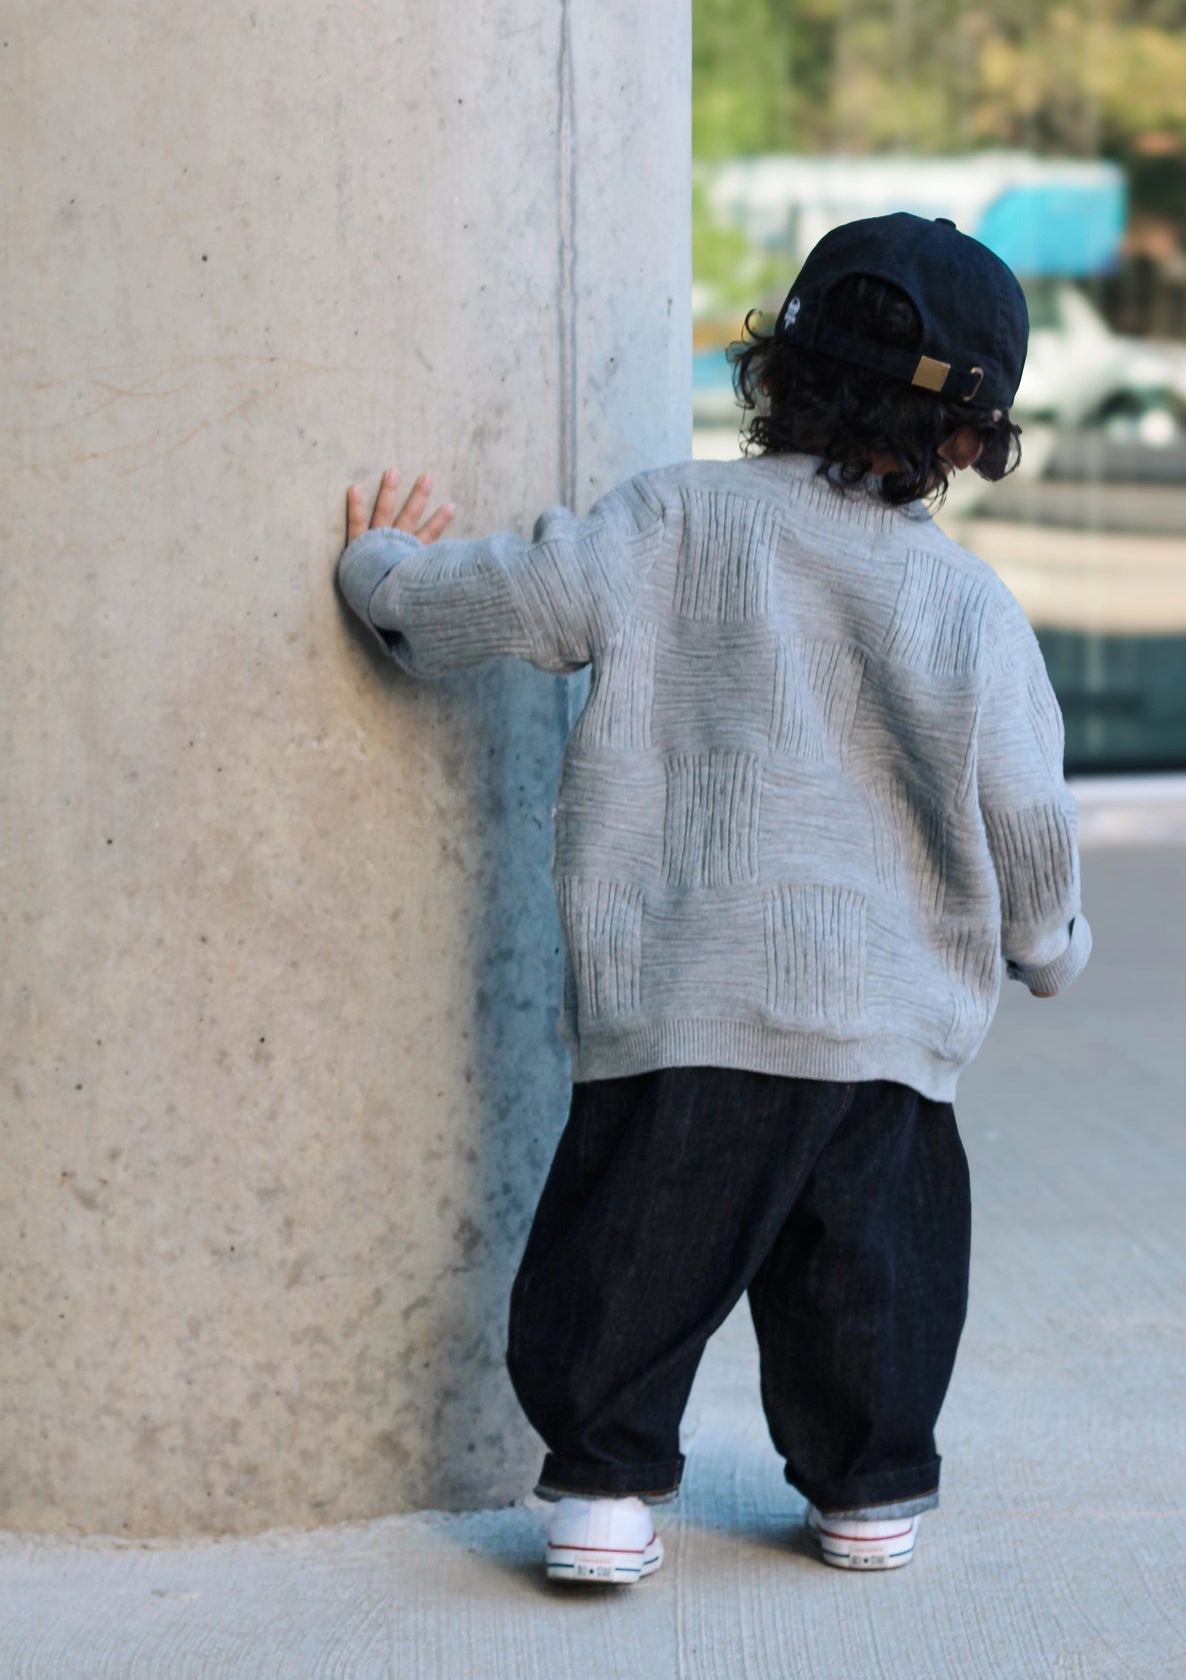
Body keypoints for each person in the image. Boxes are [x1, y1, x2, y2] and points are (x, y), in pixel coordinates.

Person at [336, 214, 1091, 1583]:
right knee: (872, 1275)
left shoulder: (667, 518)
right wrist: (1049, 942)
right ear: (974, 438)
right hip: (881, 1036)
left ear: (775, 371)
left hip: (685, 997)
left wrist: (382, 578)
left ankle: (603, 1491)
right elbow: (1027, 812)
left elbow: (511, 594)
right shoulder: (970, 607)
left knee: (629, 1254)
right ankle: (866, 1487)